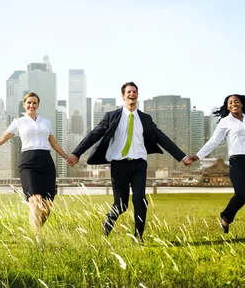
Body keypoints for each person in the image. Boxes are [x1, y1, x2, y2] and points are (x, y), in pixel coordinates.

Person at [67, 82, 192, 241]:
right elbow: (94, 134)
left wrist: (182, 157)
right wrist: (76, 153)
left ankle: (138, 237)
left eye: (134, 92)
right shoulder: (112, 116)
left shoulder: (145, 119)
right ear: (123, 96)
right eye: (129, 92)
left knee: (140, 200)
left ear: (137, 95)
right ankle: (107, 227)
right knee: (121, 205)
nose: (132, 94)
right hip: (119, 165)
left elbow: (162, 138)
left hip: (139, 164)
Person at [0, 92, 70, 234]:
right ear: (24, 104)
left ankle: (37, 229)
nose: (31, 105)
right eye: (29, 103)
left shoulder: (46, 122)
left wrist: (67, 157)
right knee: (35, 199)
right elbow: (1, 139)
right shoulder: (18, 122)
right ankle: (37, 238)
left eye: (34, 103)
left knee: (47, 206)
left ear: (38, 105)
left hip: (46, 162)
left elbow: (53, 143)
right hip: (29, 162)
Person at [190, 94, 245, 242]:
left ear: (241, 104)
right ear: (227, 107)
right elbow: (214, 141)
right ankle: (226, 216)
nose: (234, 104)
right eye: (230, 102)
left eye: (236, 102)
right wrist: (198, 156)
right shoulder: (225, 122)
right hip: (238, 161)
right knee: (242, 195)